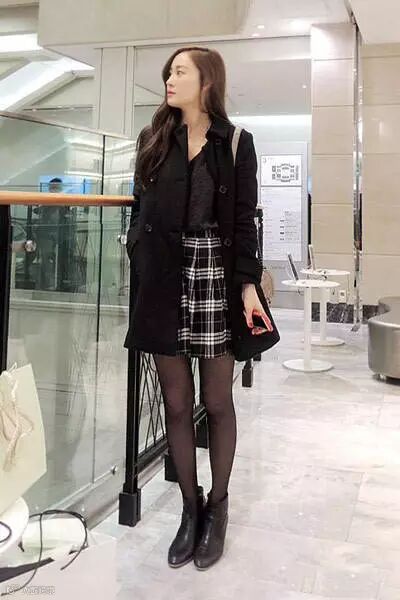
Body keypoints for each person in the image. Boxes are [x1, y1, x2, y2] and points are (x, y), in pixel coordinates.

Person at [124, 46, 273, 570]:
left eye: (180, 71)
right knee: (176, 402)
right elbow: (139, 205)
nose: (169, 78)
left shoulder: (235, 142)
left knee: (217, 399)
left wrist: (248, 285)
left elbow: (244, 219)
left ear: (206, 81)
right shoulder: (153, 138)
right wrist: (138, 255)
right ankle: (190, 508)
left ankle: (218, 506)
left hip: (214, 274)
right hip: (163, 275)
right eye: (169, 71)